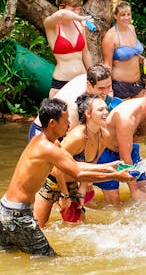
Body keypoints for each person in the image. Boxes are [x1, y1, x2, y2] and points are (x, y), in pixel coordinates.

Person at [0, 98, 131, 256]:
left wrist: (107, 167)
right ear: (52, 123)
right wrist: (115, 176)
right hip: (17, 215)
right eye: (66, 120)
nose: (69, 123)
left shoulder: (46, 141)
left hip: (5, 209)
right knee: (50, 261)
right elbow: (77, 173)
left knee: (4, 253)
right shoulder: (47, 148)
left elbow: (73, 164)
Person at [33, 94, 123, 227]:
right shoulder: (77, 136)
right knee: (38, 227)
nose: (106, 112)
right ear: (88, 113)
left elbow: (90, 165)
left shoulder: (105, 136)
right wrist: (64, 195)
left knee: (78, 227)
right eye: (100, 110)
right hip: (51, 181)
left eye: (106, 108)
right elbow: (56, 165)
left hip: (72, 185)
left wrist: (82, 189)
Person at [95, 77, 146, 204]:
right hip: (105, 152)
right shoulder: (127, 116)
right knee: (114, 202)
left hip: (131, 150)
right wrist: (134, 191)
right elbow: (124, 156)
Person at [27, 63, 113, 141]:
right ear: (89, 85)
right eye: (101, 88)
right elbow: (69, 138)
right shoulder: (74, 103)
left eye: (108, 86)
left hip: (61, 129)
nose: (106, 92)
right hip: (44, 131)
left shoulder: (93, 77)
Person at [43, 0, 94, 97]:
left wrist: (93, 75)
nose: (77, 13)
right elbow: (61, 15)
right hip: (62, 82)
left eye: (79, 9)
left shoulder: (79, 25)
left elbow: (85, 53)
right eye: (73, 9)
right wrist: (80, 18)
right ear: (61, 7)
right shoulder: (51, 25)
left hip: (81, 80)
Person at [101, 0, 146, 99]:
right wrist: (108, 89)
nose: (127, 18)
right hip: (120, 86)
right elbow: (107, 66)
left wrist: (144, 60)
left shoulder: (131, 29)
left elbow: (134, 53)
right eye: (123, 15)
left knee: (141, 115)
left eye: (129, 14)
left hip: (137, 84)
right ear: (115, 16)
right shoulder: (110, 37)